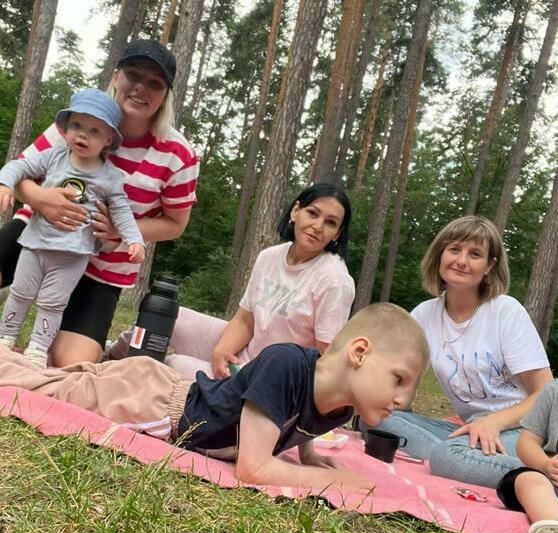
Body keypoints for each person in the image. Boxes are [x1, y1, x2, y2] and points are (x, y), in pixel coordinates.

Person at [0, 303, 429, 492]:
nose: (402, 399)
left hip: (162, 391)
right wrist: (334, 481)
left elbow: (302, 423)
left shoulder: (341, 404)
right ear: (359, 353)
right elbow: (253, 468)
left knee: (49, 379)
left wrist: (310, 456)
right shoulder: (285, 364)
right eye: (399, 379)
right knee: (37, 387)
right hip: (154, 401)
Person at [0, 39, 198, 366]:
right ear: (116, 76)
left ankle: (76, 333)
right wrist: (40, 198)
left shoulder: (179, 154)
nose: (141, 88)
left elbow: (175, 224)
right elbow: (21, 170)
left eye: (154, 83)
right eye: (134, 75)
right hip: (36, 237)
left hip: (104, 267)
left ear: (165, 95)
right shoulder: (78, 120)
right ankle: (17, 302)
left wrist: (122, 231)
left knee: (72, 364)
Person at [365, 216, 553, 488]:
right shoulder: (424, 315)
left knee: (447, 456)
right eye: (454, 250)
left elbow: (545, 393)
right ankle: (463, 459)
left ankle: (544, 475)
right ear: (440, 254)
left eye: (475, 254)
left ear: (489, 266)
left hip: (525, 431)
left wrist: (495, 422)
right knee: (375, 421)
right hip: (469, 431)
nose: (461, 261)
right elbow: (402, 390)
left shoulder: (505, 311)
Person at [106, 183, 355, 380]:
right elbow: (246, 319)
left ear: (338, 233)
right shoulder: (270, 257)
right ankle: (109, 359)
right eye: (313, 213)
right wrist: (222, 350)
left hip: (267, 378)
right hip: (245, 349)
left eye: (330, 223)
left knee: (174, 364)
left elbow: (325, 359)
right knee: (169, 316)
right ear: (296, 211)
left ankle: (136, 380)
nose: (317, 226)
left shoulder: (334, 280)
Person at [0, 89, 145, 367]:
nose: (83, 135)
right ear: (66, 129)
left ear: (108, 139)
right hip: (35, 243)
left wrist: (134, 239)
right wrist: (5, 184)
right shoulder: (54, 157)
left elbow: (122, 212)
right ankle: (5, 337)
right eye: (76, 125)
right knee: (20, 293)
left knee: (52, 303)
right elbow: (18, 167)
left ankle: (37, 348)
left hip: (72, 255)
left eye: (94, 131)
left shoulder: (110, 177)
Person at [496, 380, 558, 533]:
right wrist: (546, 465)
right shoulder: (553, 391)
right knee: (528, 480)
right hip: (551, 484)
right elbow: (526, 443)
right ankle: (552, 530)